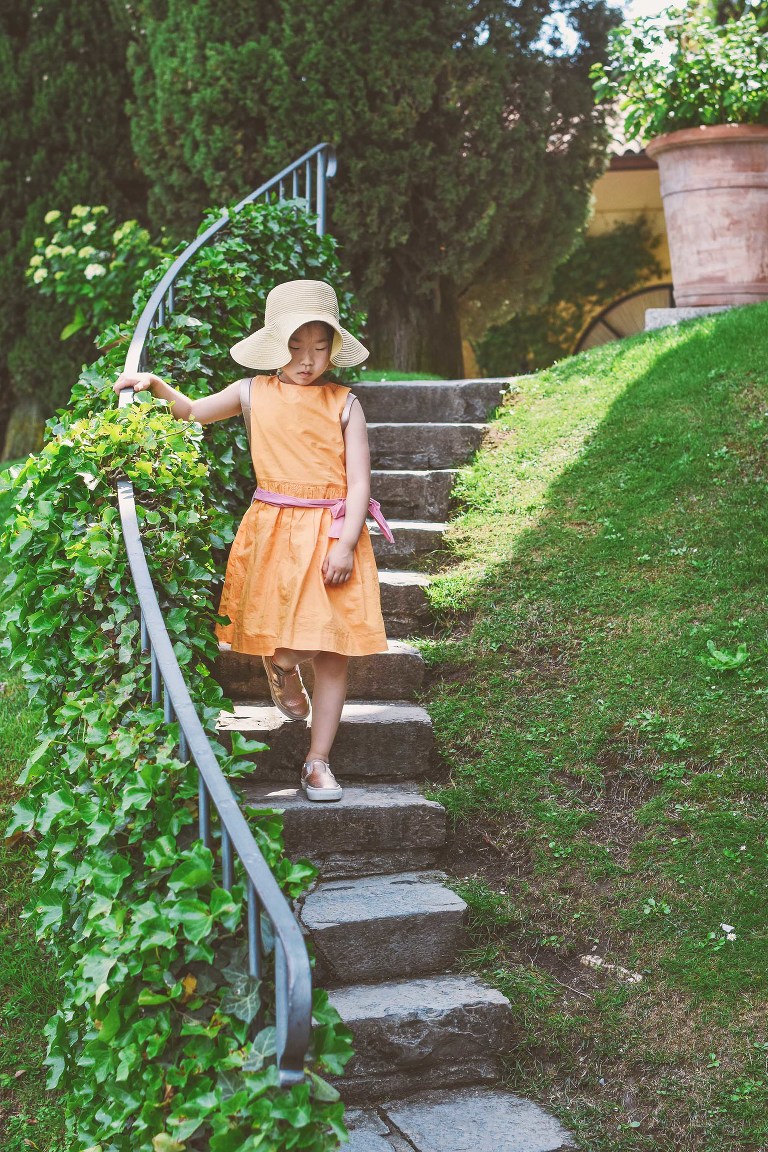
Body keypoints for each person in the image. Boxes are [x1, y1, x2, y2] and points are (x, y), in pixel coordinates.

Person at [114, 279, 392, 803]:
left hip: (331, 532)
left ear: (334, 349)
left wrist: (345, 540)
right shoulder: (252, 392)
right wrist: (156, 387)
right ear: (275, 345)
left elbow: (359, 484)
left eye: (319, 347)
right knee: (297, 638)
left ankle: (317, 762)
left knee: (332, 652)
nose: (308, 360)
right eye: (295, 346)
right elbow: (194, 412)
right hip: (275, 531)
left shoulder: (344, 402)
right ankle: (283, 665)